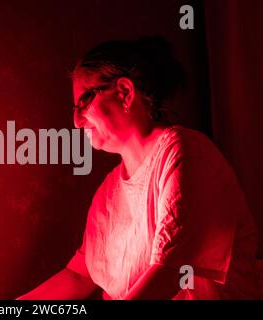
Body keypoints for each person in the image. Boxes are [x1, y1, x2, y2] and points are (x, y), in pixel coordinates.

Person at [17, 37, 260, 300]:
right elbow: (79, 275)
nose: (76, 121)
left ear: (124, 92)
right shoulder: (108, 192)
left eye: (84, 101)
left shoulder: (183, 151)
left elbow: (168, 274)